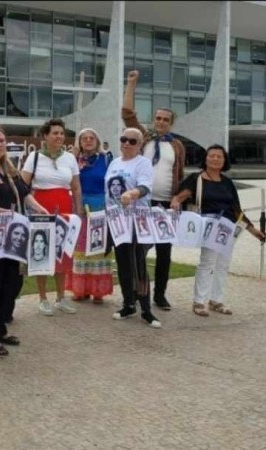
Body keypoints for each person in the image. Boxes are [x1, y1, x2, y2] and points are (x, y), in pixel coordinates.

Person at [0, 124, 46, 356]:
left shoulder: (10, 169)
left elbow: (25, 193)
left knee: (11, 282)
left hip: (11, 236)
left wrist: (40, 209)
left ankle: (1, 327)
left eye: (2, 140)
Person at [170, 144, 265, 316]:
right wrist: (176, 202)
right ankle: (199, 301)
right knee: (207, 263)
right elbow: (179, 196)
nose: (215, 159)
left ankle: (216, 300)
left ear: (224, 161)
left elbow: (237, 210)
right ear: (205, 158)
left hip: (228, 228)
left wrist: (253, 231)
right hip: (208, 227)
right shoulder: (196, 179)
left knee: (223, 264)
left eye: (219, 156)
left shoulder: (227, 183)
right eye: (211, 155)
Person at [123, 70, 186, 311]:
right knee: (138, 250)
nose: (160, 122)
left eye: (165, 120)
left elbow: (179, 175)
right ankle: (137, 293)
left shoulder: (177, 145)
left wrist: (178, 199)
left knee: (164, 253)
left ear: (171, 124)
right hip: (142, 203)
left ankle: (160, 294)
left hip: (166, 204)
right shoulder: (143, 138)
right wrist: (131, 84)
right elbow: (127, 114)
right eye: (158, 118)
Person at [21, 118, 83, 316]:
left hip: (64, 209)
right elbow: (23, 185)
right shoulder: (34, 157)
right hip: (41, 209)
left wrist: (78, 211)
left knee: (63, 253)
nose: (59, 136)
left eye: (62, 133)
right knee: (41, 252)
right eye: (55, 133)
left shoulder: (70, 159)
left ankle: (61, 297)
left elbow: (75, 187)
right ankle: (42, 298)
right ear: (45, 136)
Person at [107, 128, 161, 328]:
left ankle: (146, 308)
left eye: (132, 141)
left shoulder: (143, 163)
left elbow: (146, 186)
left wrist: (132, 194)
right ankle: (128, 303)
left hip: (136, 221)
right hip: (117, 221)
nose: (127, 144)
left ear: (139, 145)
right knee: (122, 263)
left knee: (138, 264)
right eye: (124, 139)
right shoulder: (114, 162)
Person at [67, 128, 113, 304]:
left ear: (97, 140)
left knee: (97, 247)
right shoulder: (73, 160)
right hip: (79, 205)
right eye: (84, 138)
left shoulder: (106, 158)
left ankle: (97, 291)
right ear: (79, 142)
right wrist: (73, 156)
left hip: (100, 206)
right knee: (79, 248)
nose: (88, 141)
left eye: (91, 138)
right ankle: (80, 290)